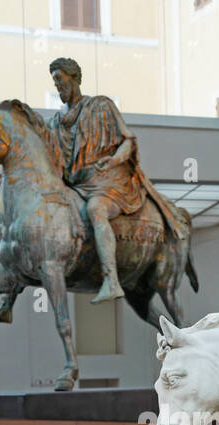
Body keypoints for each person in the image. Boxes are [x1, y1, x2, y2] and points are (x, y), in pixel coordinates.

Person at [45, 56, 189, 303]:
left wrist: (112, 161)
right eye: (54, 82)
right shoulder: (56, 123)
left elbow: (128, 141)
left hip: (109, 179)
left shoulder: (101, 106)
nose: (57, 86)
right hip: (78, 184)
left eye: (60, 80)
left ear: (74, 78)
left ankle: (111, 280)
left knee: (96, 209)